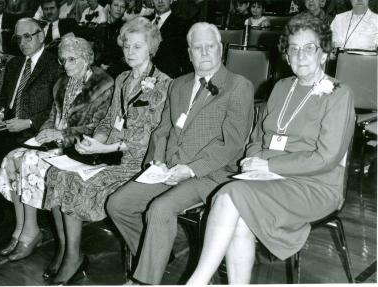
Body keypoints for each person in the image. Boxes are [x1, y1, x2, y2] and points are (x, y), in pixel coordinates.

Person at [186, 13, 355, 285]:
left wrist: (269, 166)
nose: (300, 55)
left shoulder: (339, 93)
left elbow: (326, 158)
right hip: (268, 177)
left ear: (324, 54)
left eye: (308, 48)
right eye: (293, 48)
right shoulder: (280, 87)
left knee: (230, 195)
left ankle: (197, 281)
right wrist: (254, 159)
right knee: (239, 213)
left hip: (315, 184)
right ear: (286, 55)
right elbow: (257, 137)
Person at [107, 22, 254, 285]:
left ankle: (145, 281)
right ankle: (155, 254)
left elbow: (232, 145)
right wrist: (158, 161)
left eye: (210, 46)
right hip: (169, 169)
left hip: (209, 175)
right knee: (118, 204)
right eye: (198, 48)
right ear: (189, 53)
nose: (205, 53)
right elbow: (162, 130)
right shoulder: (178, 85)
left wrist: (190, 169)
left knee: (160, 209)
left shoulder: (238, 86)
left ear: (221, 49)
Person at [43, 17, 170, 285]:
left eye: (137, 46)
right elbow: (108, 120)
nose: (130, 52)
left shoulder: (162, 84)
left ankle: (76, 257)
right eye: (126, 46)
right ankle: (70, 253)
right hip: (111, 156)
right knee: (58, 175)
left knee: (77, 183)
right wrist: (95, 142)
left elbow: (148, 137)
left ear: (151, 48)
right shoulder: (123, 79)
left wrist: (106, 146)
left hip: (141, 163)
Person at [0, 35, 114, 263]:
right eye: (63, 60)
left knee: (28, 161)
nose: (66, 65)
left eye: (72, 60)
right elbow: (51, 117)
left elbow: (99, 126)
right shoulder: (62, 83)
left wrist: (61, 135)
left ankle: (31, 233)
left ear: (87, 58)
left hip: (82, 148)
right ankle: (22, 229)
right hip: (56, 145)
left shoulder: (103, 84)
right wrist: (45, 133)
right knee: (14, 157)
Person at [0, 18, 59, 226]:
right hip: (8, 125)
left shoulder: (53, 64)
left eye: (27, 36)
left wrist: (29, 122)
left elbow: (57, 107)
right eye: (18, 38)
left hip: (35, 129)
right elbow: (4, 98)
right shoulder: (15, 63)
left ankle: (19, 218)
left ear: (41, 36)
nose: (22, 42)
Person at [151, 0, 190, 78]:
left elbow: (185, 60)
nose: (160, 1)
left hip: (168, 79)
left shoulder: (182, 25)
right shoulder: (143, 21)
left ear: (171, 0)